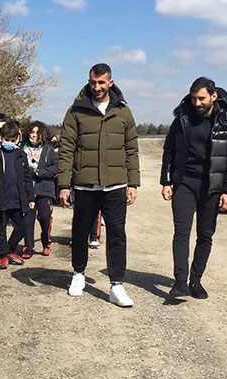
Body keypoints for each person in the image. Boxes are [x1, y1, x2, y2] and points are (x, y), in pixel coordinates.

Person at [57, 63, 139, 307]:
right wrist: (64, 184)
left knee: (117, 234)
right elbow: (66, 149)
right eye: (93, 82)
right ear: (89, 81)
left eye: (102, 83)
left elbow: (131, 149)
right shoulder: (76, 110)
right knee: (80, 232)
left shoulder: (123, 111)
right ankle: (78, 274)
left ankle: (116, 285)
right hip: (85, 185)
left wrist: (133, 182)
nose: (97, 87)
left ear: (110, 83)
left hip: (115, 186)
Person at [160, 77, 227, 299]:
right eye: (194, 98)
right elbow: (169, 150)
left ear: (213, 96)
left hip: (212, 186)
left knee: (205, 234)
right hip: (185, 182)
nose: (197, 103)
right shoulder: (182, 119)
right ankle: (180, 282)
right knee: (181, 232)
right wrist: (166, 181)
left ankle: (195, 280)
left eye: (202, 98)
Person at [0, 120, 35, 269]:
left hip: (18, 199)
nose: (9, 143)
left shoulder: (20, 155)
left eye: (12, 140)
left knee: (22, 226)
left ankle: (11, 250)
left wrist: (30, 198)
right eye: (7, 140)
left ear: (17, 139)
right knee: (1, 229)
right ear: (1, 138)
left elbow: (27, 178)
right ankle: (3, 256)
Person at [21, 121, 58, 257]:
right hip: (27, 189)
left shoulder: (49, 149)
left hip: (44, 189)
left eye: (37, 132)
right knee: (28, 219)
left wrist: (40, 172)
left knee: (44, 217)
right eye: (32, 132)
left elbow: (56, 167)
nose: (34, 135)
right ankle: (28, 247)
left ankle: (45, 241)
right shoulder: (22, 148)